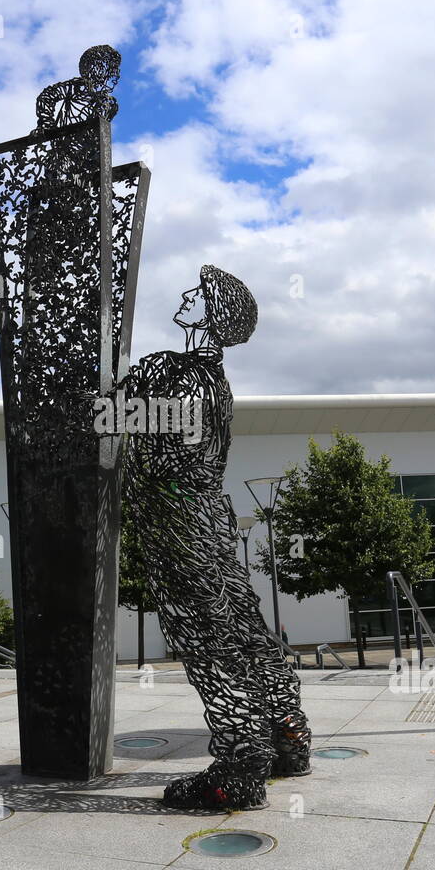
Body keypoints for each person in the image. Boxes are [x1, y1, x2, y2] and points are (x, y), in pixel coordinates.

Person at [122, 265, 311, 811]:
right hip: (210, 515)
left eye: (197, 294)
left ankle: (239, 767)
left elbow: (112, 422)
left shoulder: (170, 370)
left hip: (174, 518)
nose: (185, 295)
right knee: (243, 626)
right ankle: (287, 736)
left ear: (214, 314)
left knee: (207, 637)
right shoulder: (217, 382)